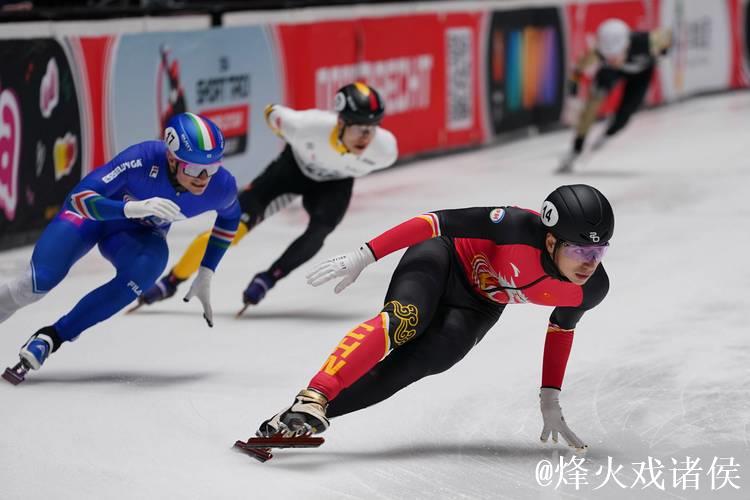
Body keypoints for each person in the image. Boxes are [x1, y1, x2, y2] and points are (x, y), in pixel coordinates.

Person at [253, 184, 614, 451]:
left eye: (598, 251)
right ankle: (315, 394)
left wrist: (549, 397)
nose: (589, 263)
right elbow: (435, 222)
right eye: (580, 250)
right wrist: (365, 255)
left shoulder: (591, 289)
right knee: (405, 320)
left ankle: (301, 417)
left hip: (479, 303)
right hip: (442, 256)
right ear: (550, 241)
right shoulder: (514, 226)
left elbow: (561, 329)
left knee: (425, 360)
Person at [0, 112, 240, 383]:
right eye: (194, 169)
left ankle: (51, 337)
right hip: (90, 219)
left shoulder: (221, 186)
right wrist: (129, 208)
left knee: (150, 265)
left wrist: (207, 270)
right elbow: (78, 200)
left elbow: (231, 218)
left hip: (134, 236)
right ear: (172, 159)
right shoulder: (142, 159)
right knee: (36, 283)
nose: (204, 178)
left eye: (212, 167)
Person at [134, 82, 398, 314]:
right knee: (230, 231)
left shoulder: (385, 150)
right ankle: (173, 280)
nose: (366, 137)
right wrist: (284, 133)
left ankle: (268, 278)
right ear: (340, 122)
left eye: (372, 128)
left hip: (335, 184)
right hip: (291, 171)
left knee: (319, 232)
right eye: (360, 128)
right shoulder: (305, 126)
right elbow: (272, 112)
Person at [559, 18, 672, 173]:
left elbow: (667, 35)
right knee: (591, 107)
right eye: (608, 56)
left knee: (625, 115)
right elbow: (578, 68)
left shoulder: (645, 42)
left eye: (616, 55)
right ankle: (576, 148)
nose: (612, 59)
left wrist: (665, 48)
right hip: (611, 73)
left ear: (626, 44)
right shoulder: (600, 53)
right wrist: (574, 85)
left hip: (640, 75)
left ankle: (608, 133)